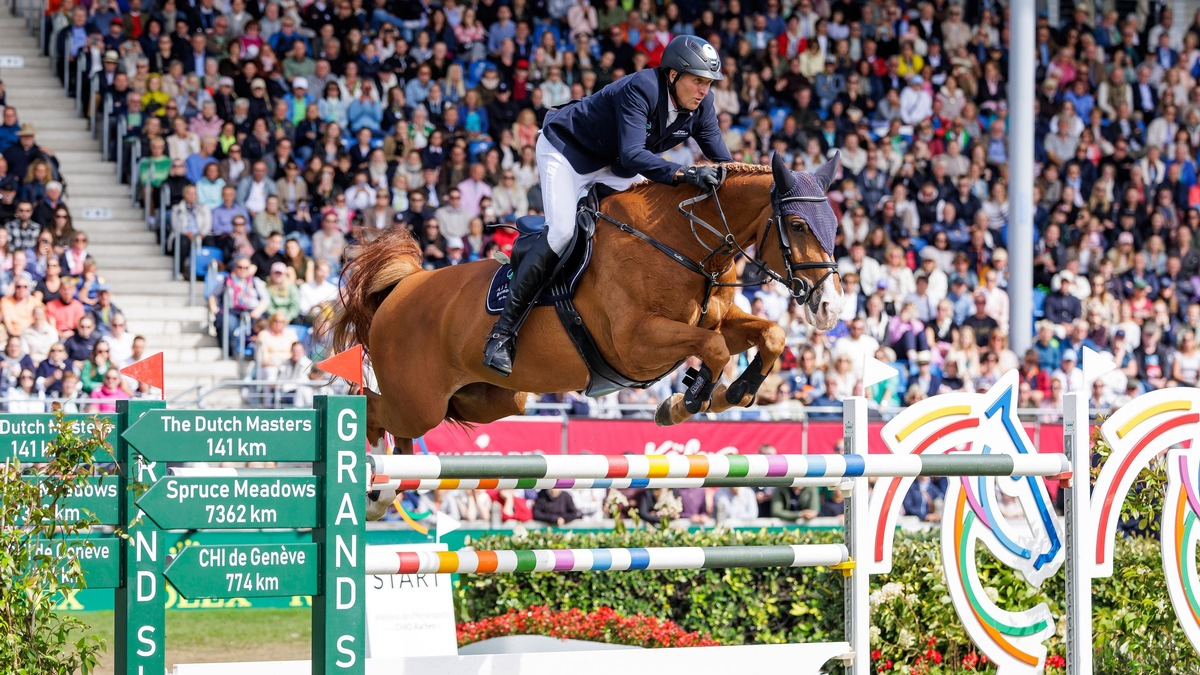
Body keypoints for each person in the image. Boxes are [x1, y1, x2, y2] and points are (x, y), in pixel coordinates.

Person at [482, 35, 734, 376]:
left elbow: (725, 163)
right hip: (568, 153)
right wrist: (684, 173)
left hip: (615, 168)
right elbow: (633, 152)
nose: (704, 90)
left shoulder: (701, 106)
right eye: (697, 81)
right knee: (560, 233)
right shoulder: (643, 88)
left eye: (708, 83)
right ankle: (503, 333)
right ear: (673, 75)